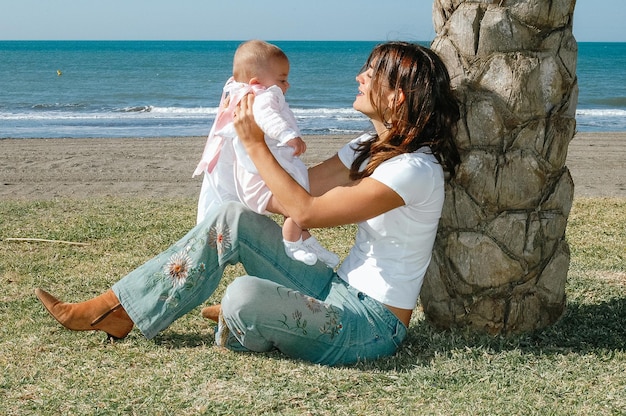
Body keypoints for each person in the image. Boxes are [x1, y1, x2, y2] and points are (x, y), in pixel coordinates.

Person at [34, 41, 461, 366]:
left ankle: (252, 314)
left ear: (397, 96)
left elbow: (307, 211)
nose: (360, 77)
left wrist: (256, 144)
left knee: (241, 296)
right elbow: (302, 187)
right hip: (334, 288)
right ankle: (117, 310)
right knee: (231, 218)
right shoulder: (369, 147)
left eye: (371, 73)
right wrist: (243, 153)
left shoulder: (413, 170)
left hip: (370, 326)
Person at [193, 40, 338, 267]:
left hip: (253, 177)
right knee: (295, 207)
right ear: (255, 81)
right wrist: (289, 135)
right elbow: (268, 118)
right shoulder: (263, 96)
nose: (287, 85)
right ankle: (292, 244)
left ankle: (308, 243)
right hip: (261, 180)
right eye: (282, 79)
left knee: (298, 203)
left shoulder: (238, 95)